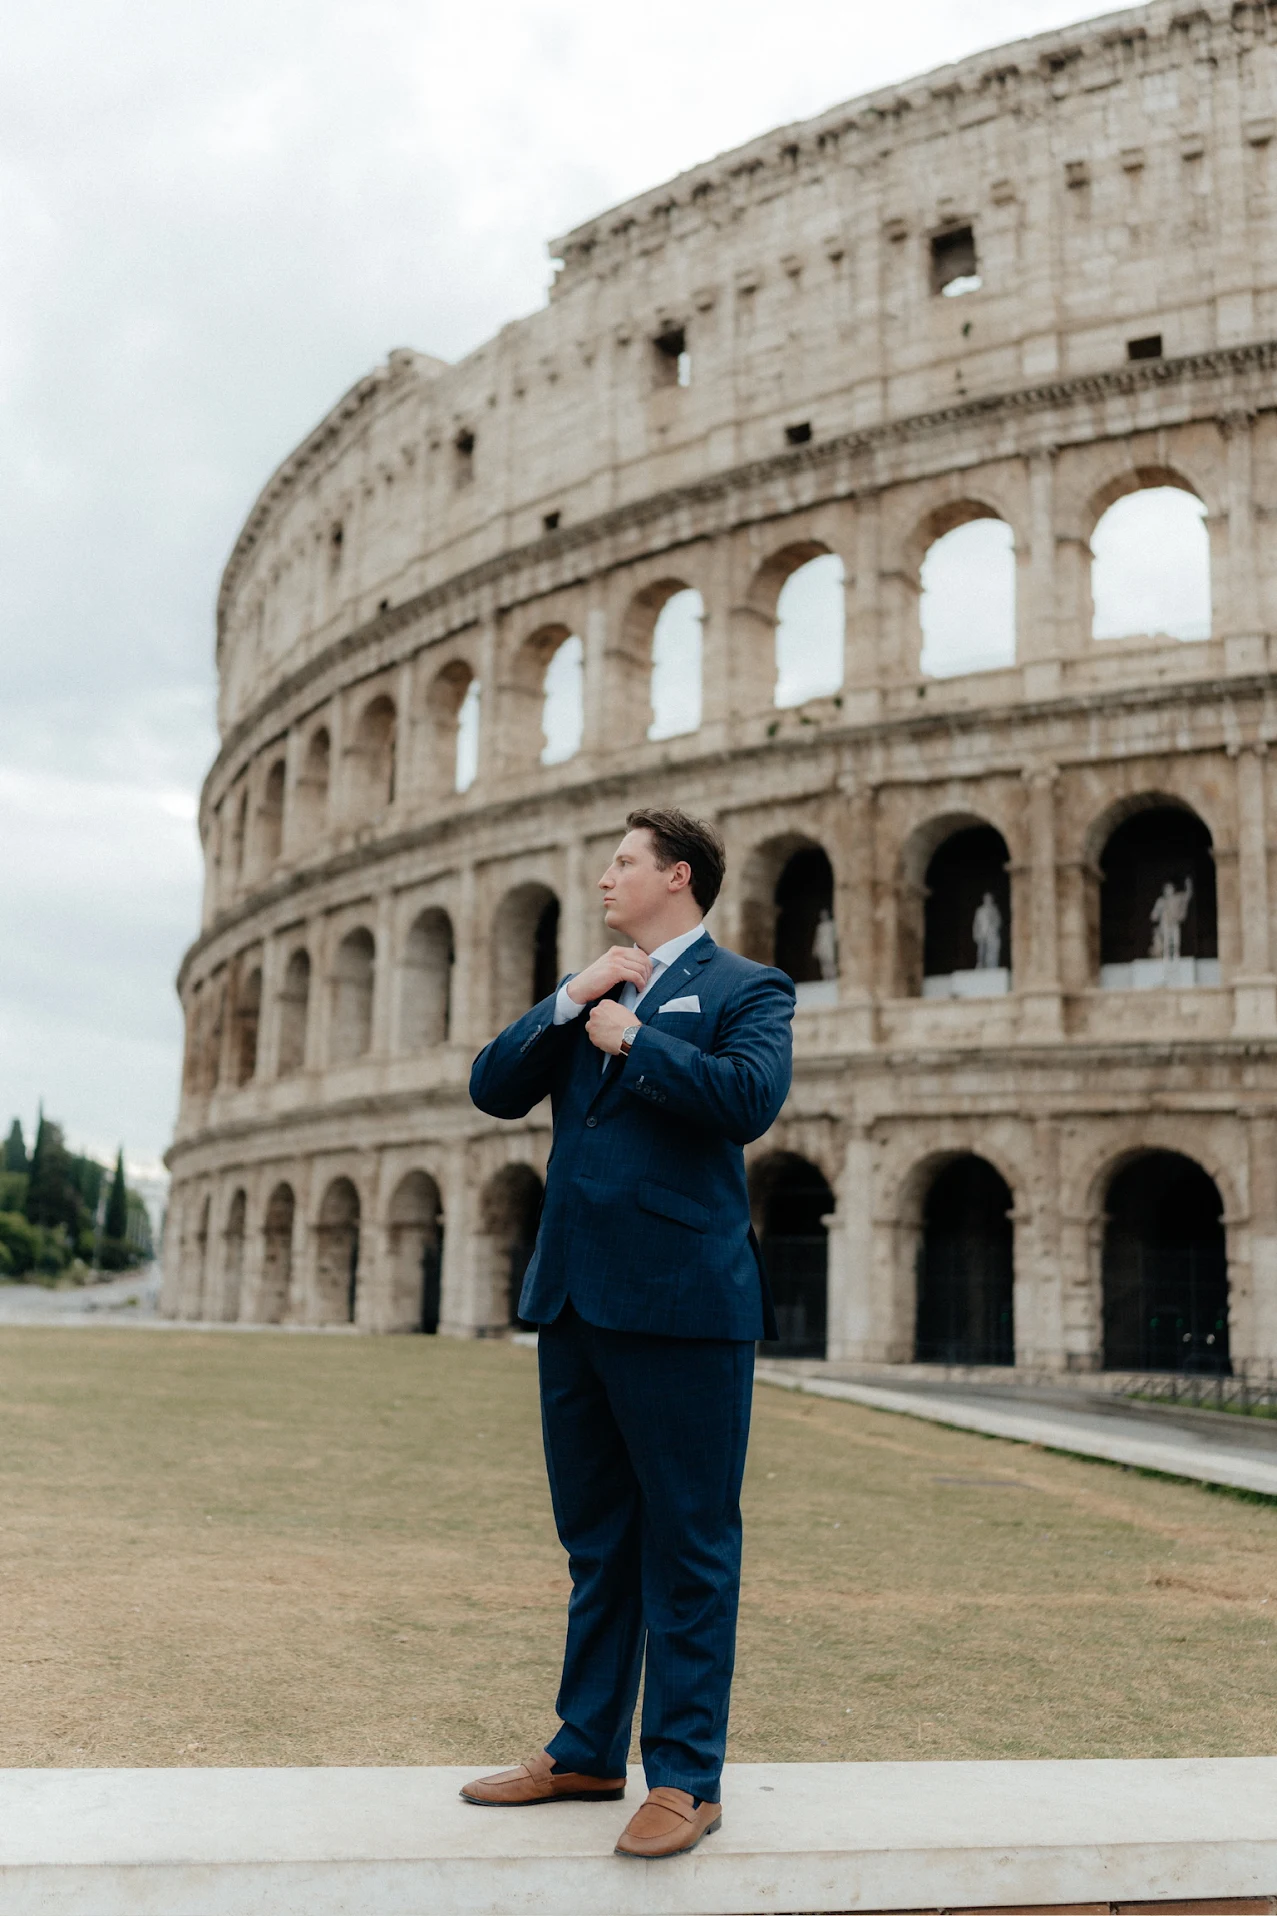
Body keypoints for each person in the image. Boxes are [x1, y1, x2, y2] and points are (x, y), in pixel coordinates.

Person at [463, 807, 795, 1859]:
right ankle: (585, 1745)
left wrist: (638, 1040)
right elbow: (491, 1085)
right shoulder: (590, 988)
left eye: (621, 862)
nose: (603, 876)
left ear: (677, 877)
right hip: (573, 1295)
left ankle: (685, 1774)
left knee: (689, 1543)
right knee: (596, 1540)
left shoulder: (748, 990)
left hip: (685, 1305)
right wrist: (568, 1000)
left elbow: (748, 1099)